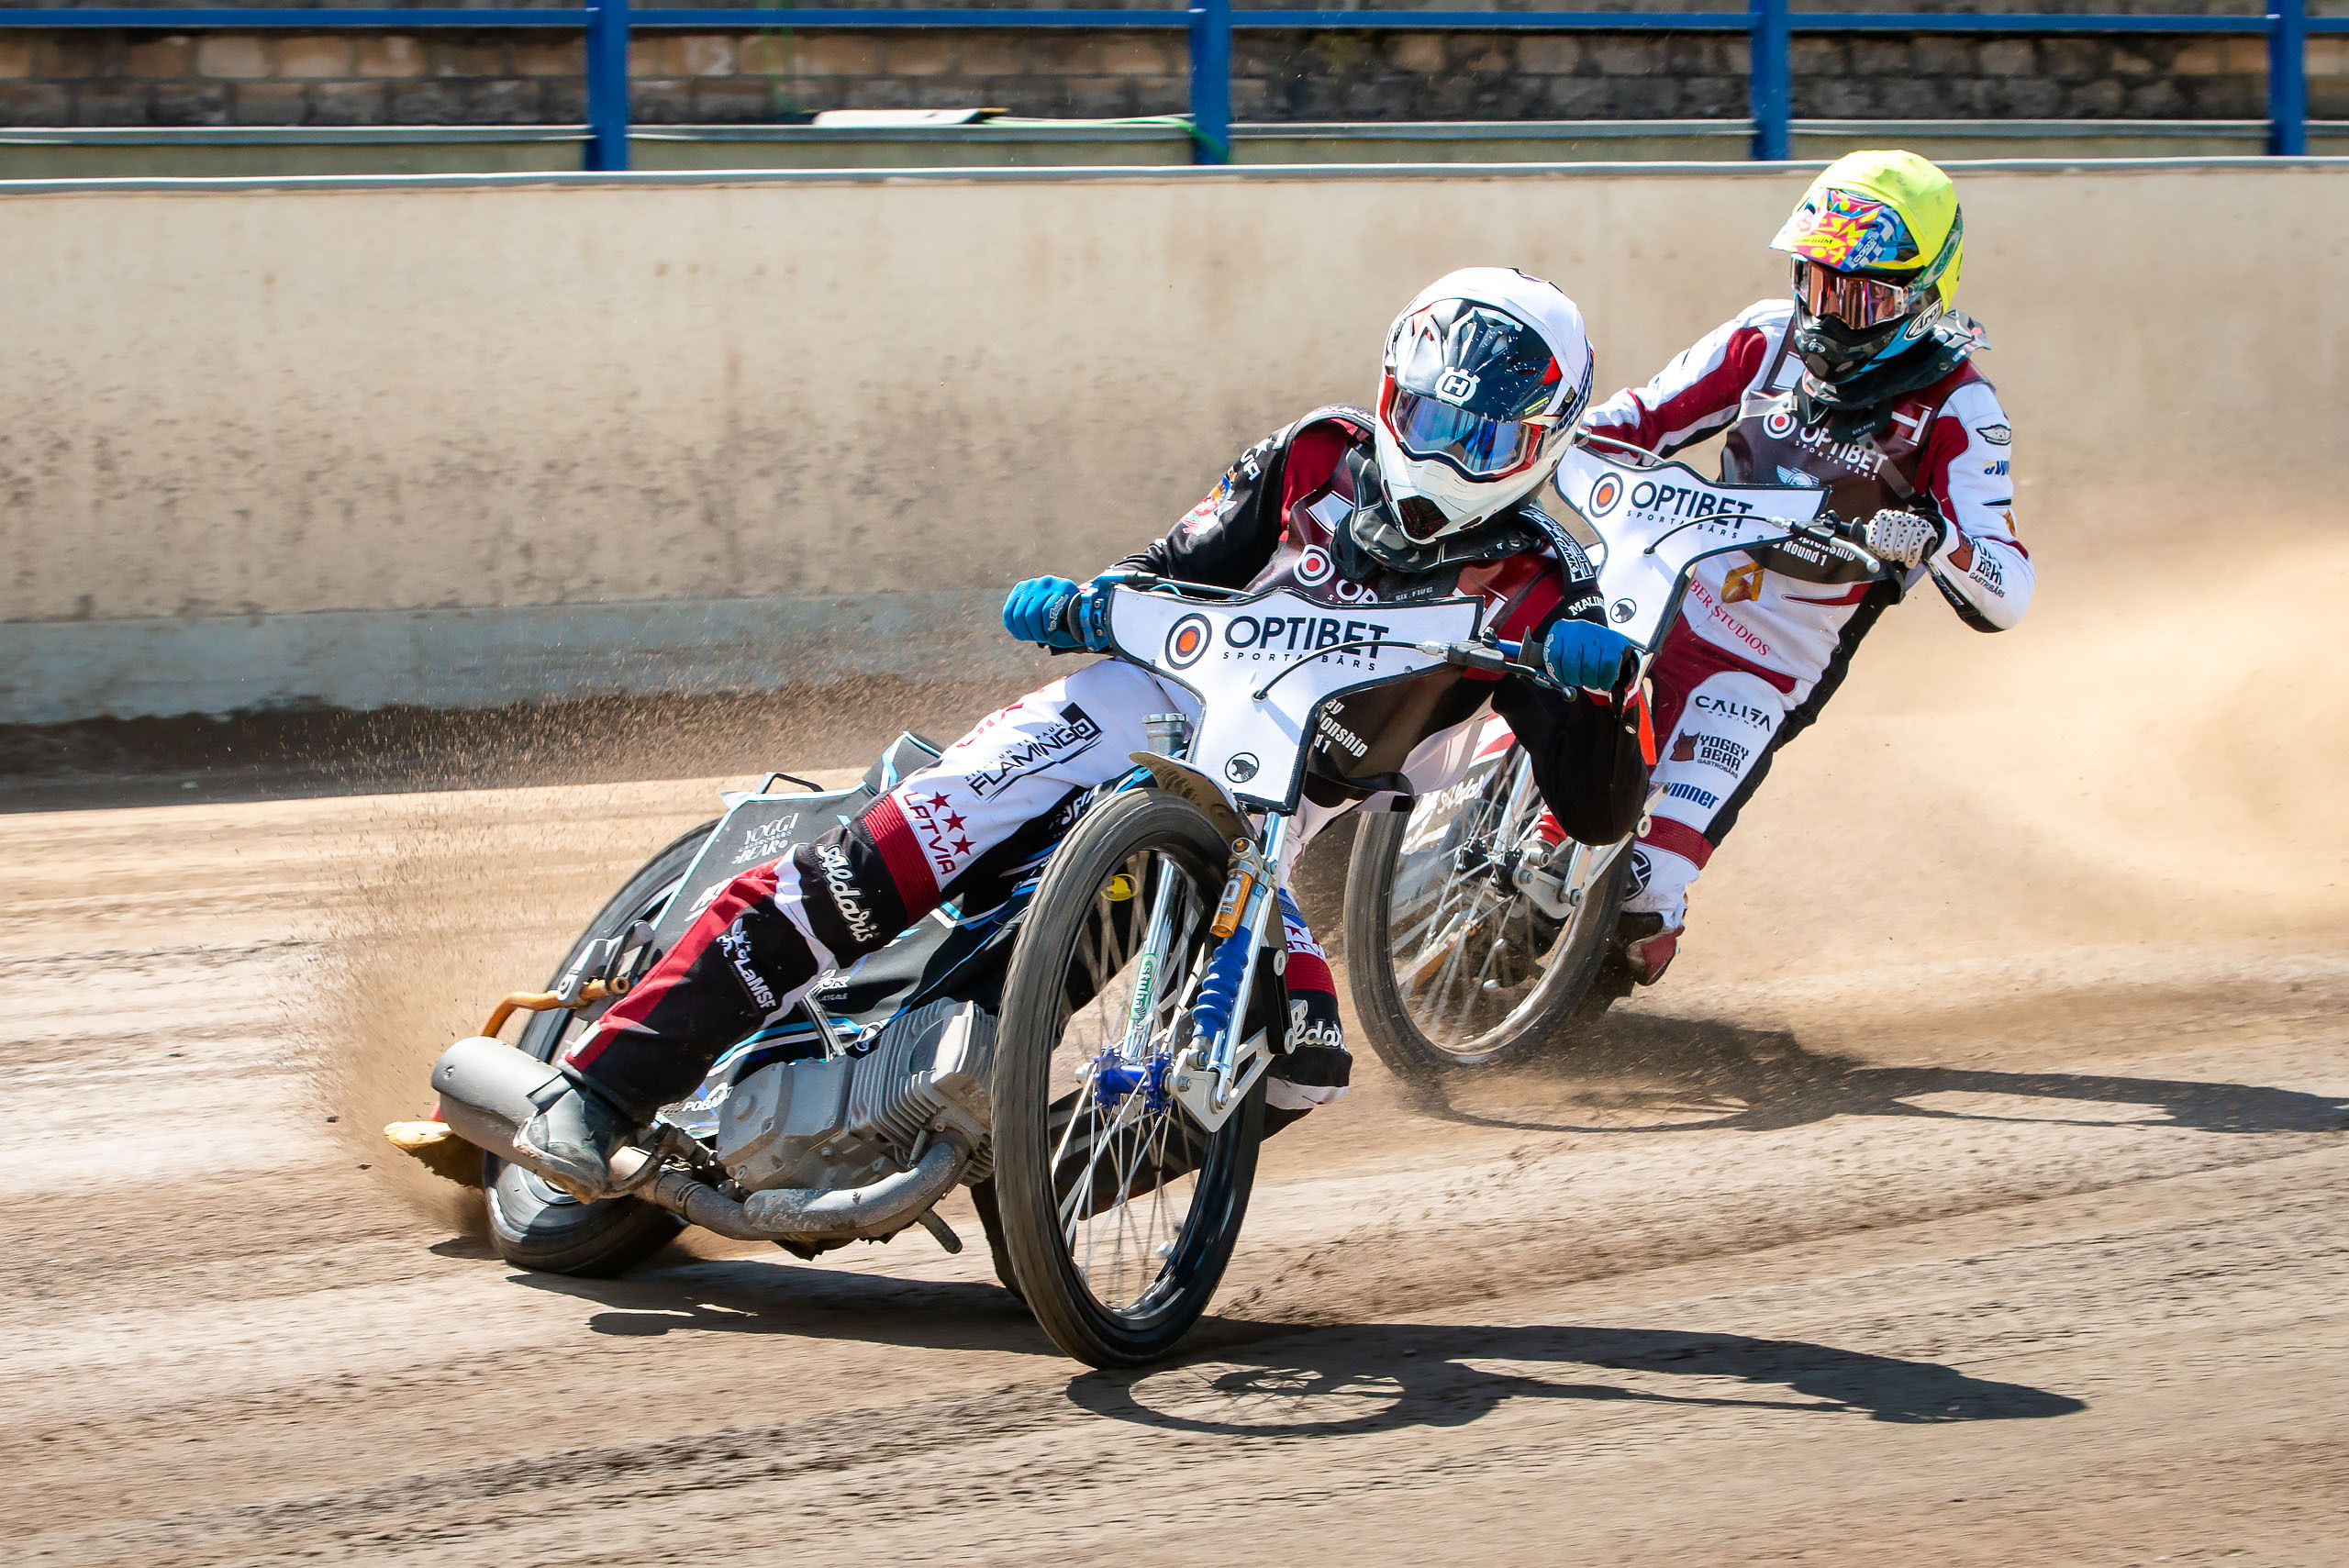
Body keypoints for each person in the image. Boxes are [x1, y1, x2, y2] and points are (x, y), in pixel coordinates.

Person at [517, 267, 1657, 1202]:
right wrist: (1081, 600)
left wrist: (1603, 697)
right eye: (1427, 416)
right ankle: (601, 1086)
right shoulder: (1313, 454)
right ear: (1389, 393)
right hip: (1123, 716)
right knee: (884, 863)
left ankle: (1034, 1192)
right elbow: (1168, 569)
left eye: (1480, 435)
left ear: (1543, 443)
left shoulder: (1548, 584)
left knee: (1299, 1055)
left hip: (1257, 822)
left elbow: (1601, 811)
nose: (1444, 453)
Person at [1575, 150, 2034, 986]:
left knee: (1642, 901)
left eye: (1859, 294)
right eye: (1818, 282)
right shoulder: (1765, 336)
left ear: (1928, 294)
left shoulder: (1962, 407)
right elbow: (1629, 422)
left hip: (1769, 662)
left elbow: (2009, 590)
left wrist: (1935, 541)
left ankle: (1576, 999)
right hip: (1660, 591)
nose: (1829, 314)